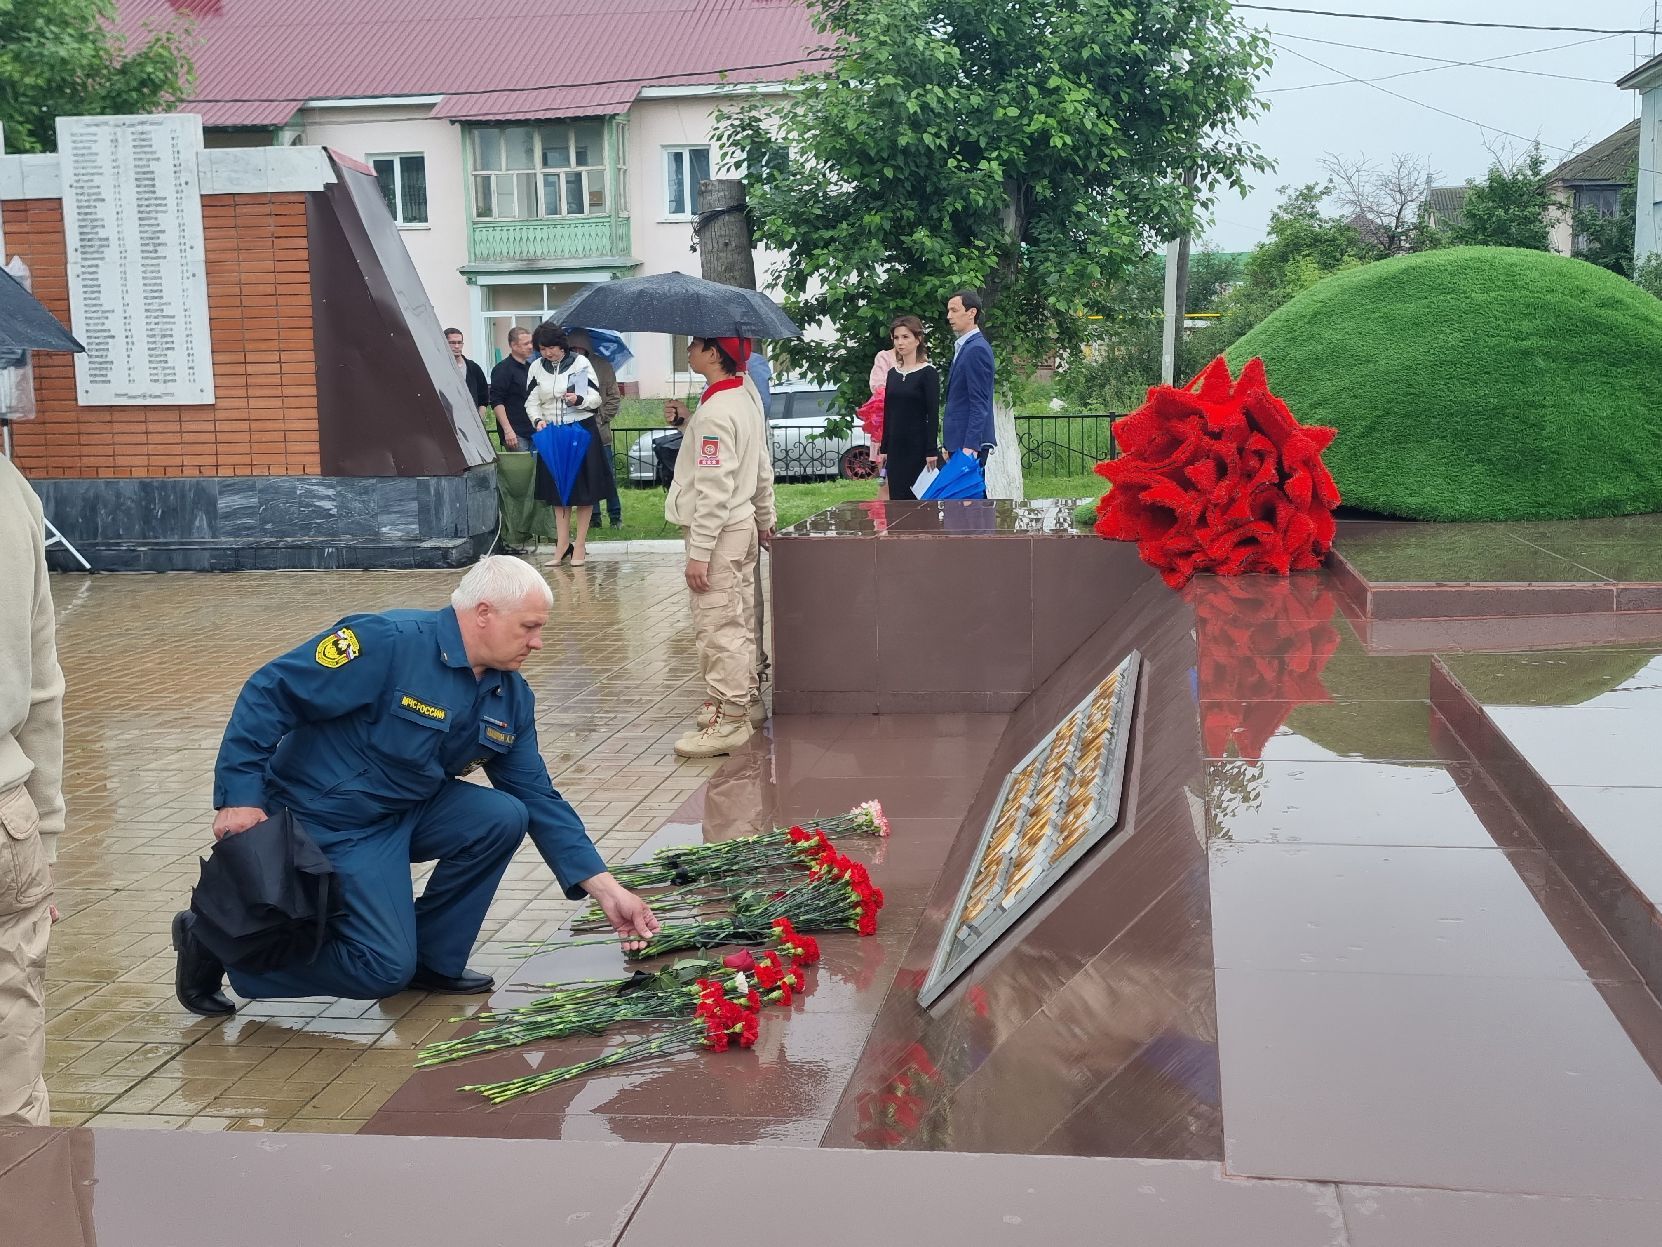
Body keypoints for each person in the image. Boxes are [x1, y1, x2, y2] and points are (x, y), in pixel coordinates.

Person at [170, 556, 660, 1016]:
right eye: (529, 627)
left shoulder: (509, 696)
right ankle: (222, 950)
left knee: (505, 815)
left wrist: (606, 889)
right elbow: (270, 692)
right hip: (324, 821)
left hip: (403, 812)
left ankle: (431, 960)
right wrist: (240, 796)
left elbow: (538, 796)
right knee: (380, 968)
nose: (537, 642)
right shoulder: (387, 642)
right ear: (483, 613)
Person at [665, 336, 776, 759]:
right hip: (742, 523)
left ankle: (729, 720)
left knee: (718, 625)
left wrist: (700, 551)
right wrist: (765, 519)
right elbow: (760, 465)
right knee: (742, 616)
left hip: (719, 531)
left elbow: (713, 487)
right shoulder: (744, 396)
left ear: (714, 354)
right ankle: (748, 701)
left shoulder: (716, 412)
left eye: (695, 345)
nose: (689, 351)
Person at [0, 453, 64, 1126]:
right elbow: (43, 689)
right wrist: (46, 839)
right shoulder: (10, 489)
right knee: (11, 1032)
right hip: (6, 810)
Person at [527, 324, 609, 567]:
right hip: (551, 433)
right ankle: (562, 545)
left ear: (561, 345)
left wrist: (578, 399)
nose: (548, 353)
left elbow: (595, 398)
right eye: (542, 349)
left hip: (579, 430)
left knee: (583, 492)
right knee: (558, 492)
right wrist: (538, 420)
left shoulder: (578, 364)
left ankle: (580, 545)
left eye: (551, 347)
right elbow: (531, 401)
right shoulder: (535, 367)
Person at [874, 316, 939, 501]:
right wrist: (884, 447)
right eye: (896, 338)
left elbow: (932, 414)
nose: (900, 343)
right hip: (896, 448)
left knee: (920, 500)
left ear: (917, 339)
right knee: (897, 499)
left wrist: (931, 450)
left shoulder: (928, 373)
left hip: (918, 447)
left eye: (905, 337)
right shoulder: (892, 374)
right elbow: (889, 412)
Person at [566, 329, 624, 531]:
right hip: (578, 430)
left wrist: (601, 419)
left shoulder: (603, 366)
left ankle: (615, 515)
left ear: (587, 348)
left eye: (580, 347)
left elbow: (614, 397)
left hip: (600, 432)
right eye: (572, 348)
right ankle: (594, 517)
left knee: (608, 475)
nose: (576, 351)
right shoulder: (567, 368)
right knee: (588, 476)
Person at [943, 290, 996, 468]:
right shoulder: (965, 346)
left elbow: (980, 402)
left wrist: (971, 446)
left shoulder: (976, 349)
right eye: (948, 311)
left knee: (968, 495)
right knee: (962, 495)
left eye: (954, 310)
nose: (949, 316)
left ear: (972, 313)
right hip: (959, 441)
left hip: (969, 445)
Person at [488, 327, 536, 452]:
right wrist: (508, 430)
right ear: (513, 345)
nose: (530, 346)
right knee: (521, 470)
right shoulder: (502, 369)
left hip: (534, 429)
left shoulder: (531, 368)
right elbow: (497, 401)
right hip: (515, 433)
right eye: (526, 344)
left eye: (531, 342)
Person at [445, 328, 490, 415]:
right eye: (452, 343)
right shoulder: (439, 367)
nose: (457, 346)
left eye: (459, 342)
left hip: (471, 420)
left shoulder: (473, 368)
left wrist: (479, 420)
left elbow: (483, 398)